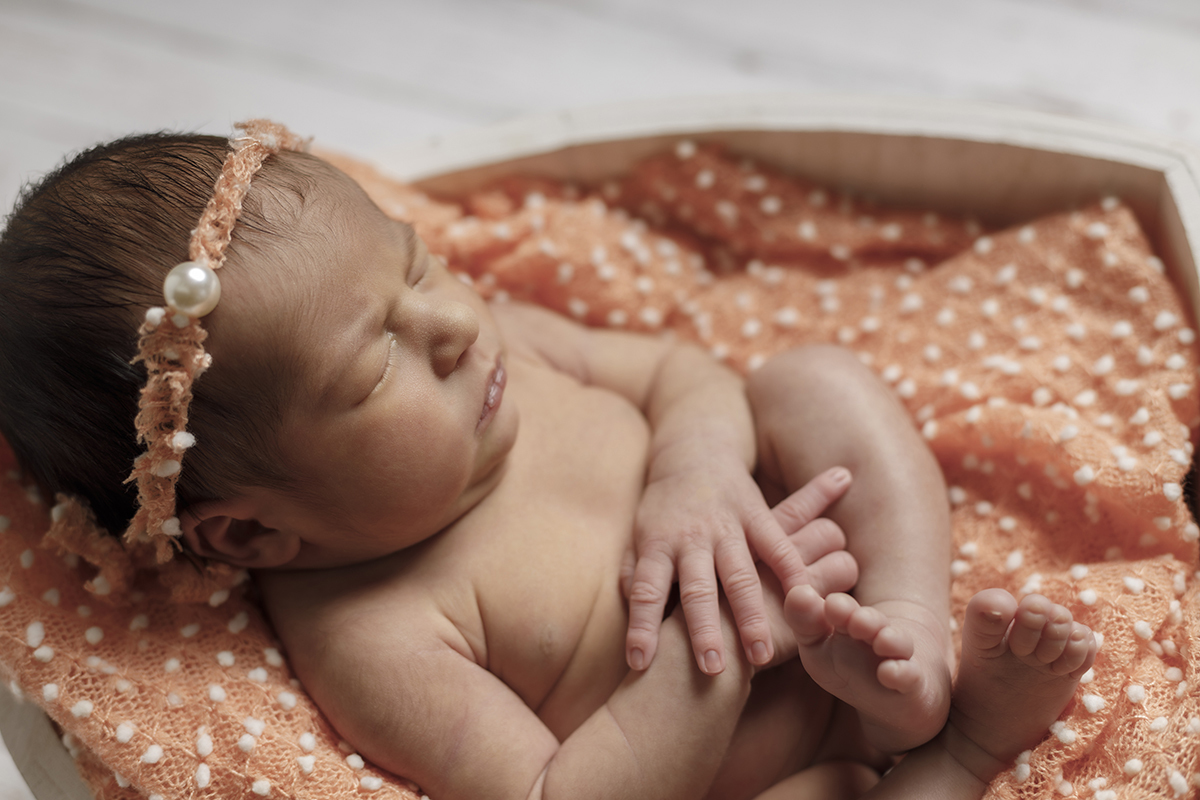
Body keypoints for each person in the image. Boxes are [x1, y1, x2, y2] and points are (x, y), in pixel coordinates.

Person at [0, 128, 1096, 800]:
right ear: (253, 529)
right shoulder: (371, 630)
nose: (449, 326)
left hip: (822, 564)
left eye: (417, 266)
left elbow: (681, 372)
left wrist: (699, 472)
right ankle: (957, 754)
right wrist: (707, 641)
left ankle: (908, 639)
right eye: (375, 367)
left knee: (812, 382)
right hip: (774, 759)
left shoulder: (502, 346)